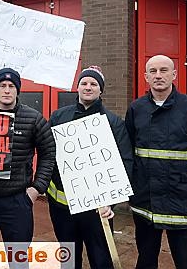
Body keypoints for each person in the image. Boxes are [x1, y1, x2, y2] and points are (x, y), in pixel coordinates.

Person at [125, 54, 187, 269]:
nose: (158, 75)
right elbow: (129, 149)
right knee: (146, 260)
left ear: (174, 75)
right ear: (146, 77)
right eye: (153, 71)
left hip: (184, 201)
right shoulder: (136, 109)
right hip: (146, 202)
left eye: (164, 70)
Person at [0, 68, 56, 268]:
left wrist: (36, 189)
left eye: (11, 86)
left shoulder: (33, 118)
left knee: (18, 260)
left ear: (18, 90)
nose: (7, 90)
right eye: (2, 86)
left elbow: (49, 153)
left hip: (17, 200)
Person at [47, 66, 133, 269]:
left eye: (93, 84)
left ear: (100, 90)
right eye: (84, 83)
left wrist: (111, 203)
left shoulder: (113, 123)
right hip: (61, 208)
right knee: (68, 260)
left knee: (101, 259)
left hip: (96, 209)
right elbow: (47, 154)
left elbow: (125, 161)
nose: (88, 87)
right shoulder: (59, 117)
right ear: (77, 88)